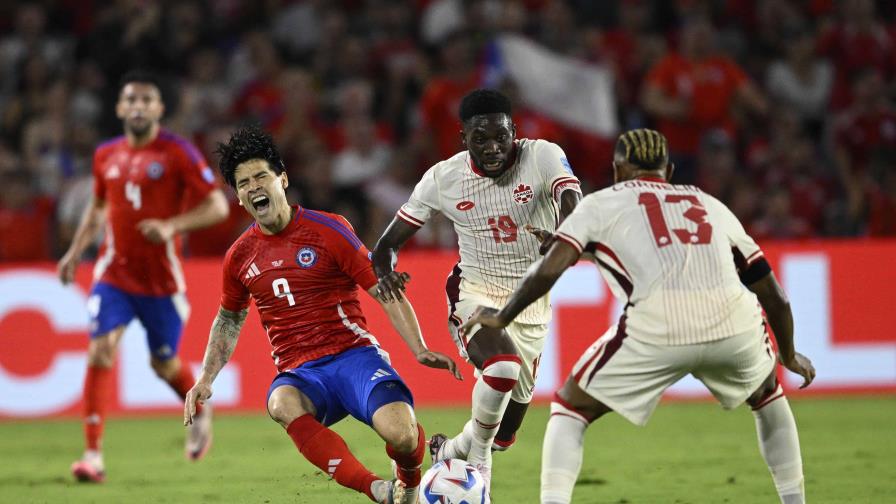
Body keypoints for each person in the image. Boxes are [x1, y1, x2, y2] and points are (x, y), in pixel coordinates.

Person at [461, 128, 816, 504]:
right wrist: (788, 354)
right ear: (670, 170)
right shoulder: (709, 204)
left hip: (656, 324)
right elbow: (774, 295)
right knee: (768, 396)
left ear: (617, 170)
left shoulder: (600, 204)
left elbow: (549, 270)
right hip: (734, 322)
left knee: (570, 408)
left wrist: (503, 315)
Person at [183, 125, 461, 504]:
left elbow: (384, 290)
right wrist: (205, 378)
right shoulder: (239, 256)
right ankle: (376, 488)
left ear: (282, 178)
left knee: (403, 435)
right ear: (238, 197)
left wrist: (419, 348)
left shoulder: (329, 229)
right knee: (281, 402)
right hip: (302, 374)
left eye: (261, 176)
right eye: (243, 182)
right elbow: (229, 318)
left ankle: (410, 483)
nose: (253, 187)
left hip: (354, 357)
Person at [372, 88, 582, 492]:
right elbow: (385, 247)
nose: (492, 148)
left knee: (505, 434)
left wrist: (563, 237)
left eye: (501, 137)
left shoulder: (541, 156)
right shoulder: (443, 178)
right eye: (480, 139)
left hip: (531, 307)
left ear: (514, 133)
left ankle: (449, 452)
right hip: (474, 292)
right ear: (462, 138)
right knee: (502, 367)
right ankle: (479, 468)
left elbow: (575, 204)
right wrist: (386, 273)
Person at [58, 70, 230, 483]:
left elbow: (217, 207)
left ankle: (200, 412)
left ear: (159, 108)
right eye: (130, 99)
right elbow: (98, 209)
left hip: (160, 282)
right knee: (100, 351)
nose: (137, 106)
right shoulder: (106, 155)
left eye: (145, 100)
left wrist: (173, 226)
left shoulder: (178, 152)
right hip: (113, 274)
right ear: (119, 108)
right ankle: (92, 456)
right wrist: (74, 251)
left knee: (163, 362)